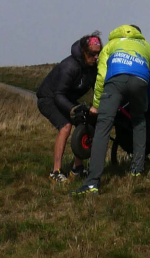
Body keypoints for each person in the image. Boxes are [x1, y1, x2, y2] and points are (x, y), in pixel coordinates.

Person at [73, 24, 150, 196]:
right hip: (140, 81)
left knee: (103, 127)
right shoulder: (147, 47)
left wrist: (96, 104)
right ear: (138, 35)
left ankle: (92, 183)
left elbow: (101, 76)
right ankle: (137, 169)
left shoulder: (110, 45)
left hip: (115, 81)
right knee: (139, 121)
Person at [37, 33, 102, 182]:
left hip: (66, 98)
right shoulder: (69, 66)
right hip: (48, 98)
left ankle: (77, 168)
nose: (96, 57)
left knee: (85, 122)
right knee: (65, 126)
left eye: (98, 53)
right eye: (92, 54)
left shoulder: (92, 67)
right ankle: (56, 172)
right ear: (84, 51)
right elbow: (58, 94)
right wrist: (74, 109)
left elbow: (96, 89)